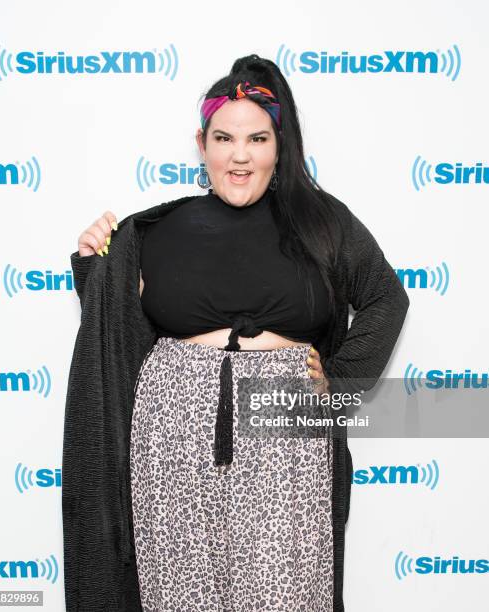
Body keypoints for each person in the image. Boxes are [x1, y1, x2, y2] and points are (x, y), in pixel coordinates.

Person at [62, 54, 410, 612]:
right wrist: (94, 267)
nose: (240, 156)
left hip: (284, 418)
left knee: (286, 588)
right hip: (172, 423)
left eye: (258, 139)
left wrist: (341, 381)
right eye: (224, 138)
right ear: (202, 144)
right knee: (179, 588)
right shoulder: (156, 228)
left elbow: (385, 297)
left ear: (280, 145)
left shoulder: (322, 220)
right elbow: (116, 331)